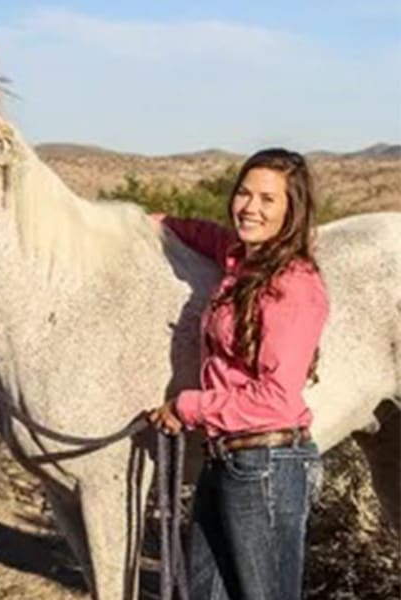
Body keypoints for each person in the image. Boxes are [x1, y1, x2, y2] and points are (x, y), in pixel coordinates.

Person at [148, 148, 329, 600]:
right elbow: (208, 235)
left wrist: (187, 406)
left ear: (292, 211)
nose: (250, 207)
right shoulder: (241, 260)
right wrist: (149, 221)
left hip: (266, 466)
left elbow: (275, 399)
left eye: (268, 199)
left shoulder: (294, 285)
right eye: (244, 193)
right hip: (226, 459)